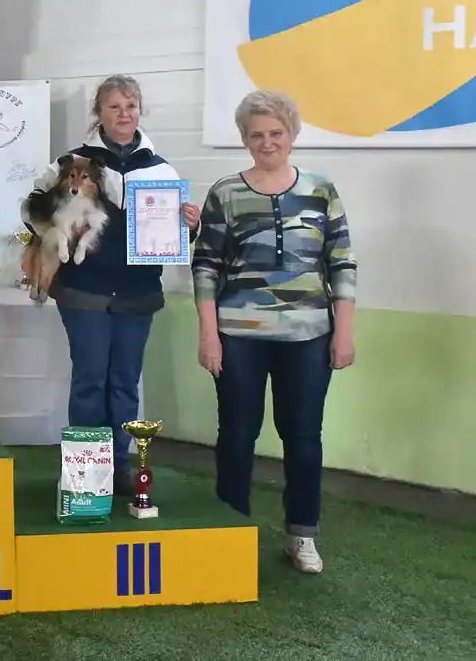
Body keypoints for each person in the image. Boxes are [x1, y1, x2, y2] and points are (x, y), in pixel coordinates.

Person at [191, 89, 356, 575]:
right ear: (245, 139)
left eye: (276, 133)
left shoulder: (322, 191)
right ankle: (229, 530)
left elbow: (342, 264)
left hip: (309, 338)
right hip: (237, 336)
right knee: (237, 434)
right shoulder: (225, 193)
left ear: (292, 134)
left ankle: (302, 534)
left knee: (303, 436)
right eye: (257, 134)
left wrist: (343, 333)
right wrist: (208, 334)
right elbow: (206, 267)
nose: (267, 143)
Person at [22, 74, 200, 494]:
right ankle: (86, 471)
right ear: (98, 112)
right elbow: (31, 207)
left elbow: (173, 235)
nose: (124, 114)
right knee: (90, 380)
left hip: (138, 294)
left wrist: (189, 226)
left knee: (124, 382)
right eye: (114, 106)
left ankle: (121, 467)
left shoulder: (160, 168)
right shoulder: (71, 162)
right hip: (84, 290)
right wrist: (56, 232)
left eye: (130, 106)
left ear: (141, 110)